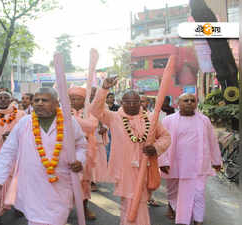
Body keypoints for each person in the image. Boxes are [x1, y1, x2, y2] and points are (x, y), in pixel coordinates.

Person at [0, 87, 87, 225]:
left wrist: (79, 160)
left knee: (57, 219)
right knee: (35, 220)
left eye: (45, 100)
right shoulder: (24, 122)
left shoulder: (69, 122)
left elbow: (81, 146)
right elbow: (8, 152)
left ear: (56, 103)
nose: (39, 103)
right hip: (32, 184)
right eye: (36, 100)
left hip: (60, 183)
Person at [90, 77, 171, 225]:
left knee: (139, 202)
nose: (132, 105)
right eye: (128, 102)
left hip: (144, 168)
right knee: (129, 201)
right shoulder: (113, 117)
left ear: (140, 103)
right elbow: (94, 110)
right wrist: (104, 89)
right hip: (124, 169)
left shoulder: (151, 119)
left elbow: (166, 137)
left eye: (136, 102)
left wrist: (155, 148)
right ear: (122, 103)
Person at [159, 93, 221, 225]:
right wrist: (163, 161)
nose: (189, 103)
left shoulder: (204, 120)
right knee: (173, 192)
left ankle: (198, 220)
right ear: (178, 103)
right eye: (185, 100)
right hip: (174, 163)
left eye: (192, 100)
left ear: (196, 103)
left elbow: (212, 141)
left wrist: (216, 161)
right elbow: (161, 142)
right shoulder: (168, 120)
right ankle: (173, 208)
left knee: (198, 193)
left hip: (198, 165)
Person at [0, 91, 26, 224]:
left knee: (17, 182)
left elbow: (28, 135)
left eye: (5, 97)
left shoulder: (21, 115)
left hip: (16, 155)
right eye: (0, 98)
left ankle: (18, 206)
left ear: (11, 99)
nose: (2, 100)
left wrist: (14, 136)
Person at [68, 86, 98, 220]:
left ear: (84, 100)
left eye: (78, 99)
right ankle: (65, 209)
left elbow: (91, 126)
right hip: (66, 151)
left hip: (85, 152)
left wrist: (70, 119)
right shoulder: (63, 112)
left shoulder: (89, 112)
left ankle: (84, 208)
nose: (75, 101)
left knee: (84, 182)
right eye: (72, 98)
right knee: (65, 182)